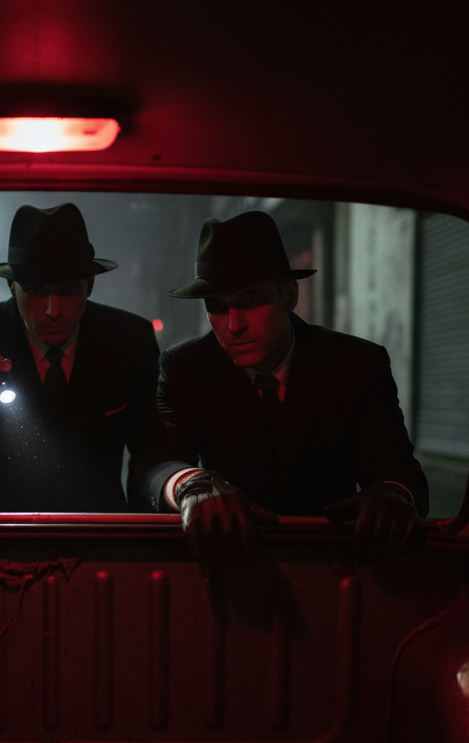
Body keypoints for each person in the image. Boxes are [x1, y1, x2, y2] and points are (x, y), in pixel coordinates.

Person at [142, 210, 428, 571]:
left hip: (334, 565)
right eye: (217, 307)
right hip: (231, 566)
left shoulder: (355, 364)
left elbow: (399, 470)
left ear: (289, 295)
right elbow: (156, 465)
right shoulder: (187, 367)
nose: (233, 325)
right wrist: (190, 483)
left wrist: (391, 495)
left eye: (250, 301)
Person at [0, 203, 159, 512]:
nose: (52, 310)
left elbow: (153, 454)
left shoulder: (128, 341)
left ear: (90, 285)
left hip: (97, 537)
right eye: (36, 291)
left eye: (67, 290)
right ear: (11, 286)